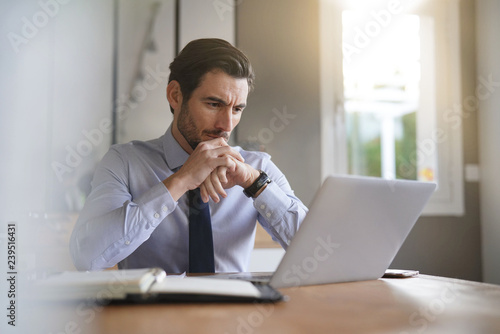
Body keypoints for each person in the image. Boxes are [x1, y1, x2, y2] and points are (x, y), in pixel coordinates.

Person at [70, 38, 308, 272]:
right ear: (175, 95)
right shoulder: (124, 162)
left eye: (236, 109)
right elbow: (88, 257)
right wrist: (181, 181)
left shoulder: (257, 167)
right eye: (214, 104)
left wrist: (255, 183)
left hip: (234, 310)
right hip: (150, 310)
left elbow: (314, 251)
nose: (226, 125)